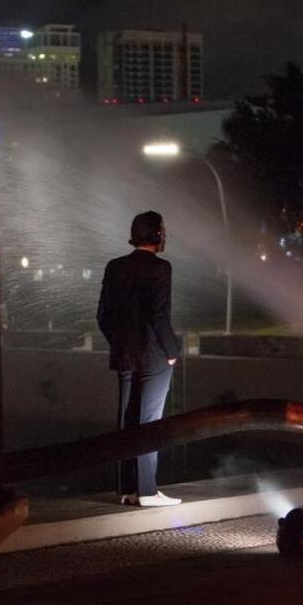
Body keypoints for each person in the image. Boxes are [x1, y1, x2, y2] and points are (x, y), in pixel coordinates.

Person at [97, 211, 182, 506]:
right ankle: (147, 491)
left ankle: (126, 489)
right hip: (153, 356)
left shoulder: (115, 266)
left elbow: (103, 316)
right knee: (149, 422)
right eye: (164, 230)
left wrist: (120, 342)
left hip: (124, 354)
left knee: (126, 419)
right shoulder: (161, 269)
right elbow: (159, 316)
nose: (166, 235)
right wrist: (172, 352)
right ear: (157, 234)